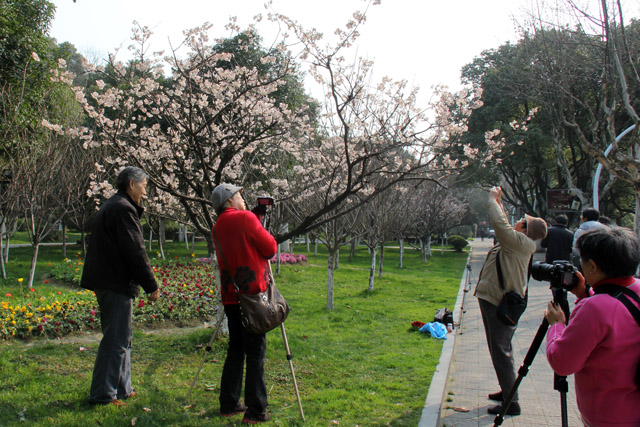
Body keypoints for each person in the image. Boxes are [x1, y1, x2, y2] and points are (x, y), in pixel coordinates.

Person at [545, 227, 640, 426]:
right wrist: (585, 293)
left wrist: (556, 325)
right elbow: (618, 312)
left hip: (610, 416)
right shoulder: (635, 289)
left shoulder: (594, 308)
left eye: (581, 259)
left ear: (593, 266)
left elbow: (562, 363)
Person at [81, 166, 160, 406]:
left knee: (122, 336)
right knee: (116, 338)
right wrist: (151, 285)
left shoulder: (115, 205)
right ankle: (103, 394)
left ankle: (122, 388)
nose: (145, 192)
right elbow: (135, 250)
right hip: (114, 282)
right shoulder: (122, 209)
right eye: (144, 186)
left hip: (110, 280)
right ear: (131, 184)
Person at [474, 186, 547, 416]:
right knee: (501, 349)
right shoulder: (520, 242)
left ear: (525, 230)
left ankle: (511, 403)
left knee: (501, 351)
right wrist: (500, 203)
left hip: (498, 303)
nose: (517, 222)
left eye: (522, 222)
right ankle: (508, 390)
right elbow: (505, 225)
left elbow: (501, 225)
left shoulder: (520, 243)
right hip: (496, 300)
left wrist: (493, 201)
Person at [211, 183, 277, 424]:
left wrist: (255, 220)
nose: (242, 198)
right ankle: (255, 410)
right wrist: (257, 222)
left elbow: (239, 245)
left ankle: (228, 403)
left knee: (236, 349)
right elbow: (269, 248)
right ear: (228, 200)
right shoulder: (247, 218)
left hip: (232, 296)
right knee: (256, 352)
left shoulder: (217, 227)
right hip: (253, 296)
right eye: (238, 195)